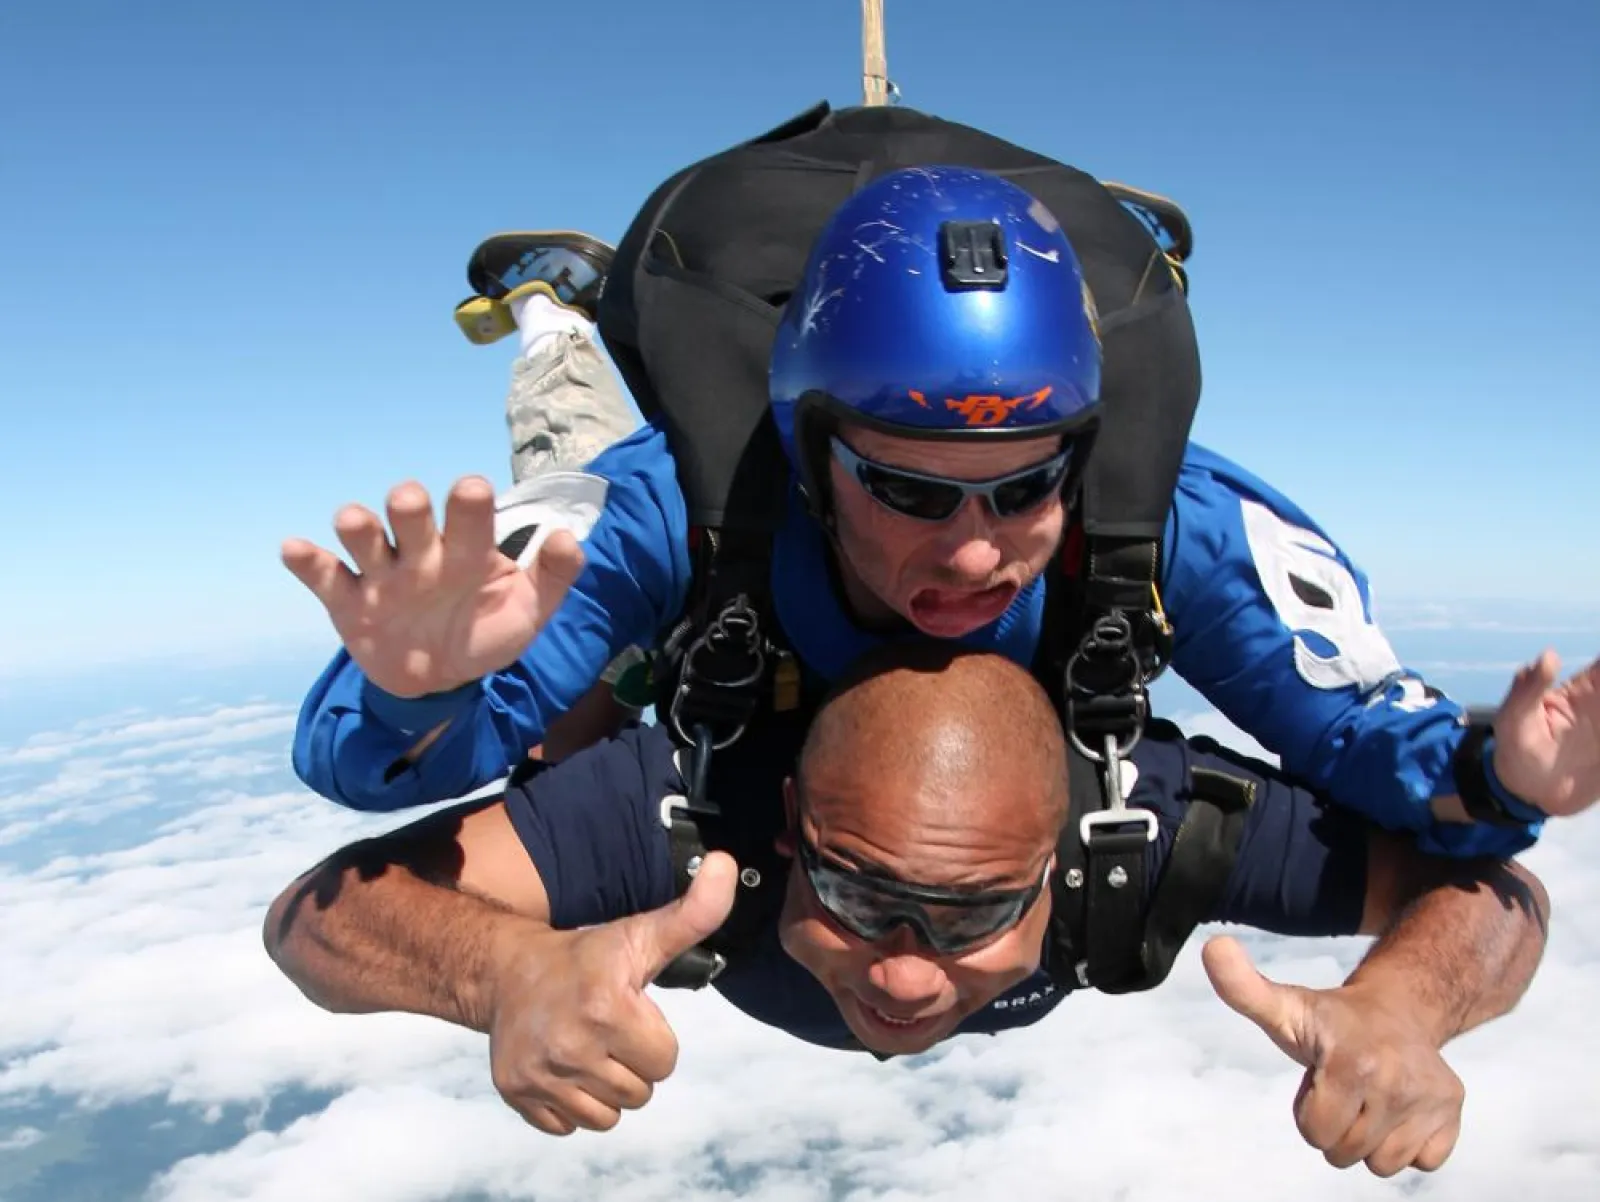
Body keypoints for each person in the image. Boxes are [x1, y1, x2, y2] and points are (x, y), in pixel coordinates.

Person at [282, 151, 1598, 861]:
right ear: (809, 455)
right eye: (906, 485)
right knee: (570, 613)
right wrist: (413, 691)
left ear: (1080, 447)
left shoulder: (1156, 516)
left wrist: (1495, 769)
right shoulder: (672, 503)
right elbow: (361, 763)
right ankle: (559, 301)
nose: (974, 546)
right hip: (685, 505)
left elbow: (1357, 734)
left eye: (1028, 484)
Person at [263, 643, 1553, 1177]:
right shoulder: (681, 805)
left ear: (1063, 861)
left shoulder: (1142, 830)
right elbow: (319, 919)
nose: (906, 975)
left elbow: (1494, 889)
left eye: (975, 911)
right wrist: (503, 969)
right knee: (577, 611)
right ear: (784, 838)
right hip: (670, 674)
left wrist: (1406, 1003)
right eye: (860, 893)